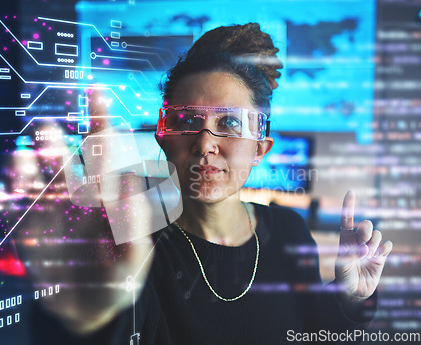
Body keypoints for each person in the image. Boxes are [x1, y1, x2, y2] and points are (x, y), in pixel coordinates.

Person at [24, 23, 393, 344]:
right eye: (185, 120)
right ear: (162, 136)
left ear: (259, 148)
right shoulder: (133, 243)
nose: (204, 143)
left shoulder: (289, 232)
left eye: (230, 123)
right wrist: (90, 317)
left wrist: (347, 299)